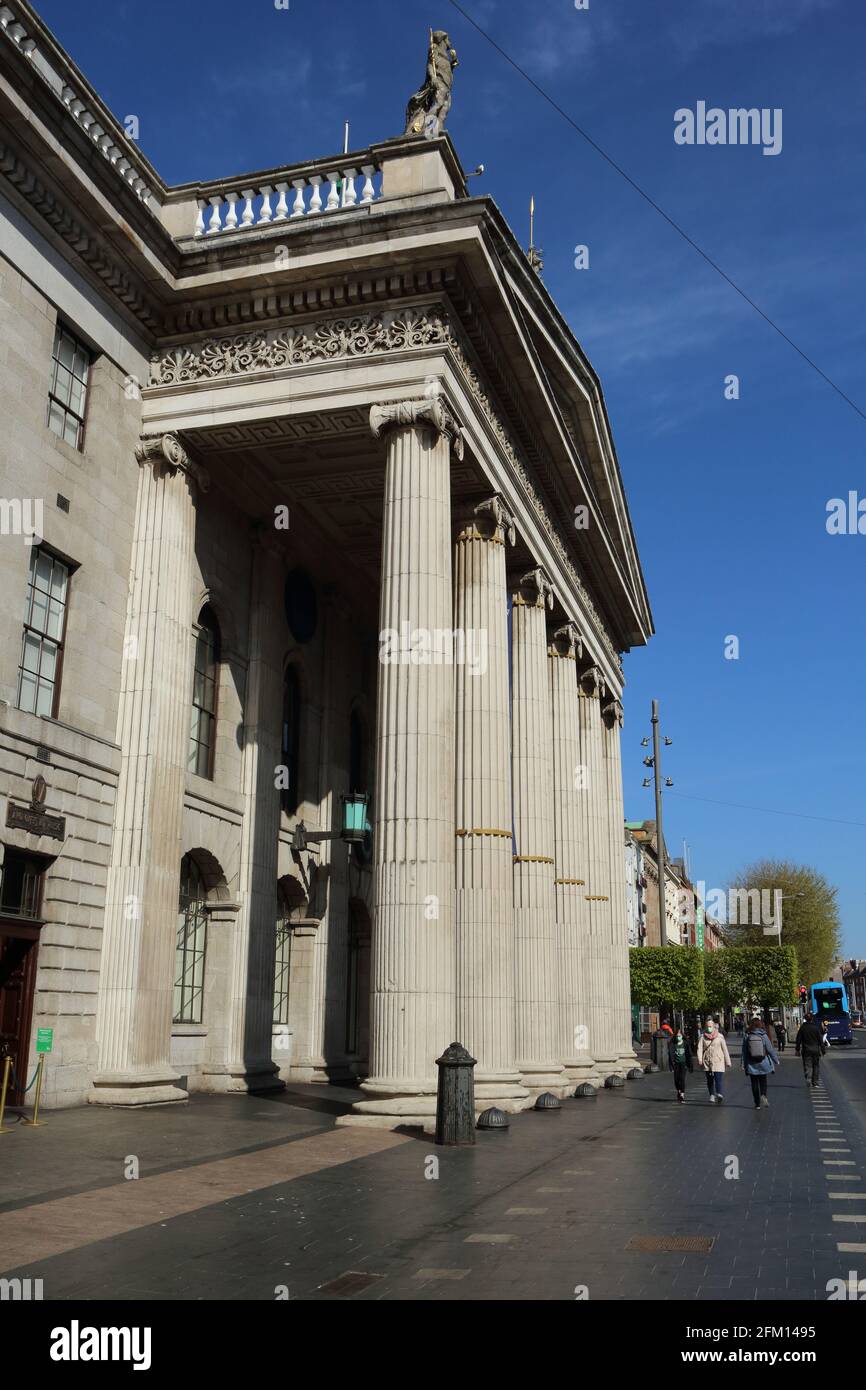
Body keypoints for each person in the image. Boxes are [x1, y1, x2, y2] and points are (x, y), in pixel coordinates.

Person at [742, 1014, 779, 1108]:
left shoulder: (747, 1035)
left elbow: (744, 1051)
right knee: (763, 1081)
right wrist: (775, 1060)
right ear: (760, 1025)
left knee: (754, 1083)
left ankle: (757, 1104)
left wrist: (743, 1064)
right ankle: (763, 1095)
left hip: (751, 1063)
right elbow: (770, 1049)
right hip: (763, 1062)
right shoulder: (763, 1035)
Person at [697, 1017, 732, 1103]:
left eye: (710, 1026)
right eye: (707, 1026)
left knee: (718, 1078)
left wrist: (728, 1062)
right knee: (710, 1080)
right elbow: (699, 1048)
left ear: (713, 1027)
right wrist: (700, 1059)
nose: (709, 1027)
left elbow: (725, 1049)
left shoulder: (720, 1036)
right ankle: (712, 1095)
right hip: (707, 1061)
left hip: (718, 1061)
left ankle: (719, 1093)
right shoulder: (702, 1037)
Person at [796, 1013, 827, 1087]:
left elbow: (798, 1039)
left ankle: (808, 1078)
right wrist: (823, 1050)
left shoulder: (802, 1028)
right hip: (816, 1050)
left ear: (805, 1019)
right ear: (812, 1019)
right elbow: (820, 1040)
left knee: (807, 1065)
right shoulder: (816, 1028)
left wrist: (797, 1049)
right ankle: (815, 1082)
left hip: (806, 1050)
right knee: (816, 1066)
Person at [668, 1026, 693, 1103]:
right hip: (676, 1064)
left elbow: (689, 1054)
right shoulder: (673, 1044)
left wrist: (690, 1065)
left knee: (682, 1078)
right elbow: (670, 1055)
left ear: (682, 1036)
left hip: (683, 1063)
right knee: (676, 1080)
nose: (678, 1037)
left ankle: (682, 1094)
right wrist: (671, 1066)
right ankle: (679, 1090)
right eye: (677, 1036)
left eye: (680, 1035)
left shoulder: (685, 1043)